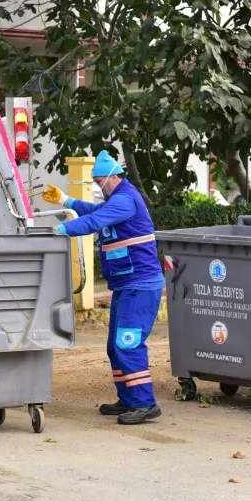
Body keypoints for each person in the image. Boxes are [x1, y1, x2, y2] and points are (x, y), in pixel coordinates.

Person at [42, 151, 164, 425]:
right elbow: (95, 211)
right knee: (114, 346)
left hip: (140, 286)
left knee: (127, 344)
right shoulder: (116, 200)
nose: (98, 187)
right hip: (126, 285)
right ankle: (128, 400)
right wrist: (65, 201)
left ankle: (145, 404)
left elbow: (94, 222)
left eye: (99, 182)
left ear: (113, 177)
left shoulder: (126, 200)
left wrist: (59, 231)